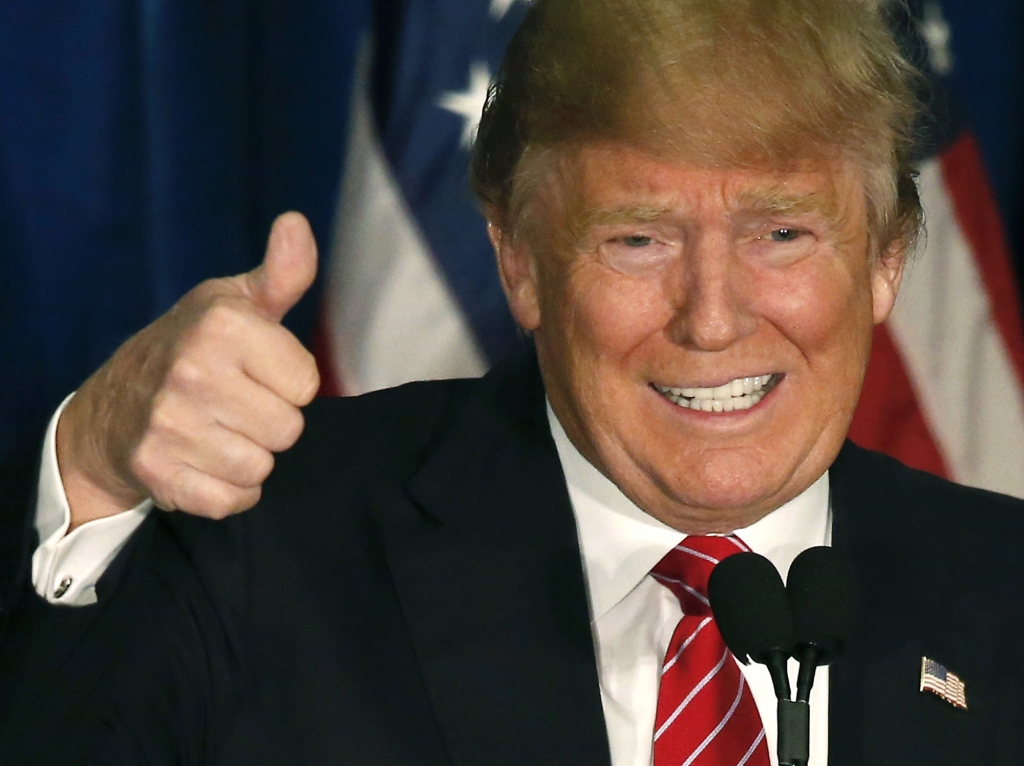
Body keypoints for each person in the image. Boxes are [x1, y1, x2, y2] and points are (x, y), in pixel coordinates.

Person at [3, 0, 1024, 763]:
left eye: (782, 232)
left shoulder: (1005, 593)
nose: (711, 316)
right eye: (636, 237)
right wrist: (92, 466)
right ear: (520, 263)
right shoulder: (272, 545)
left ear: (887, 258)